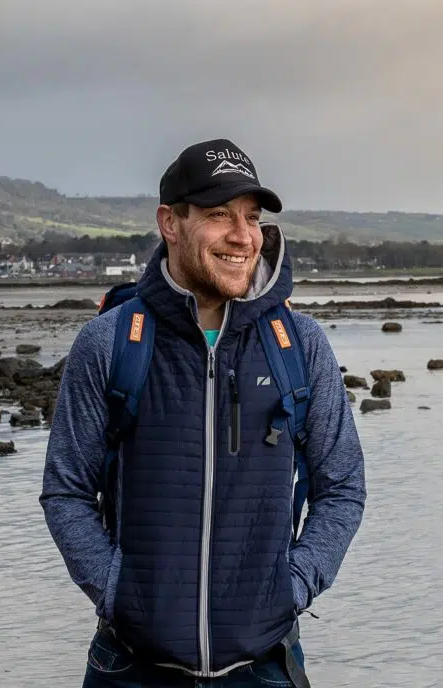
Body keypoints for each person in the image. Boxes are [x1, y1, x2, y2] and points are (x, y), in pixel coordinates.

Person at [40, 139, 367, 687]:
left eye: (251, 217)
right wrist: (116, 589)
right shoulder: (109, 343)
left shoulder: (299, 346)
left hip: (263, 668)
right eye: (220, 215)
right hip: (131, 668)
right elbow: (66, 489)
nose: (243, 236)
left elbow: (343, 485)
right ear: (170, 222)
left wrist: (293, 586)